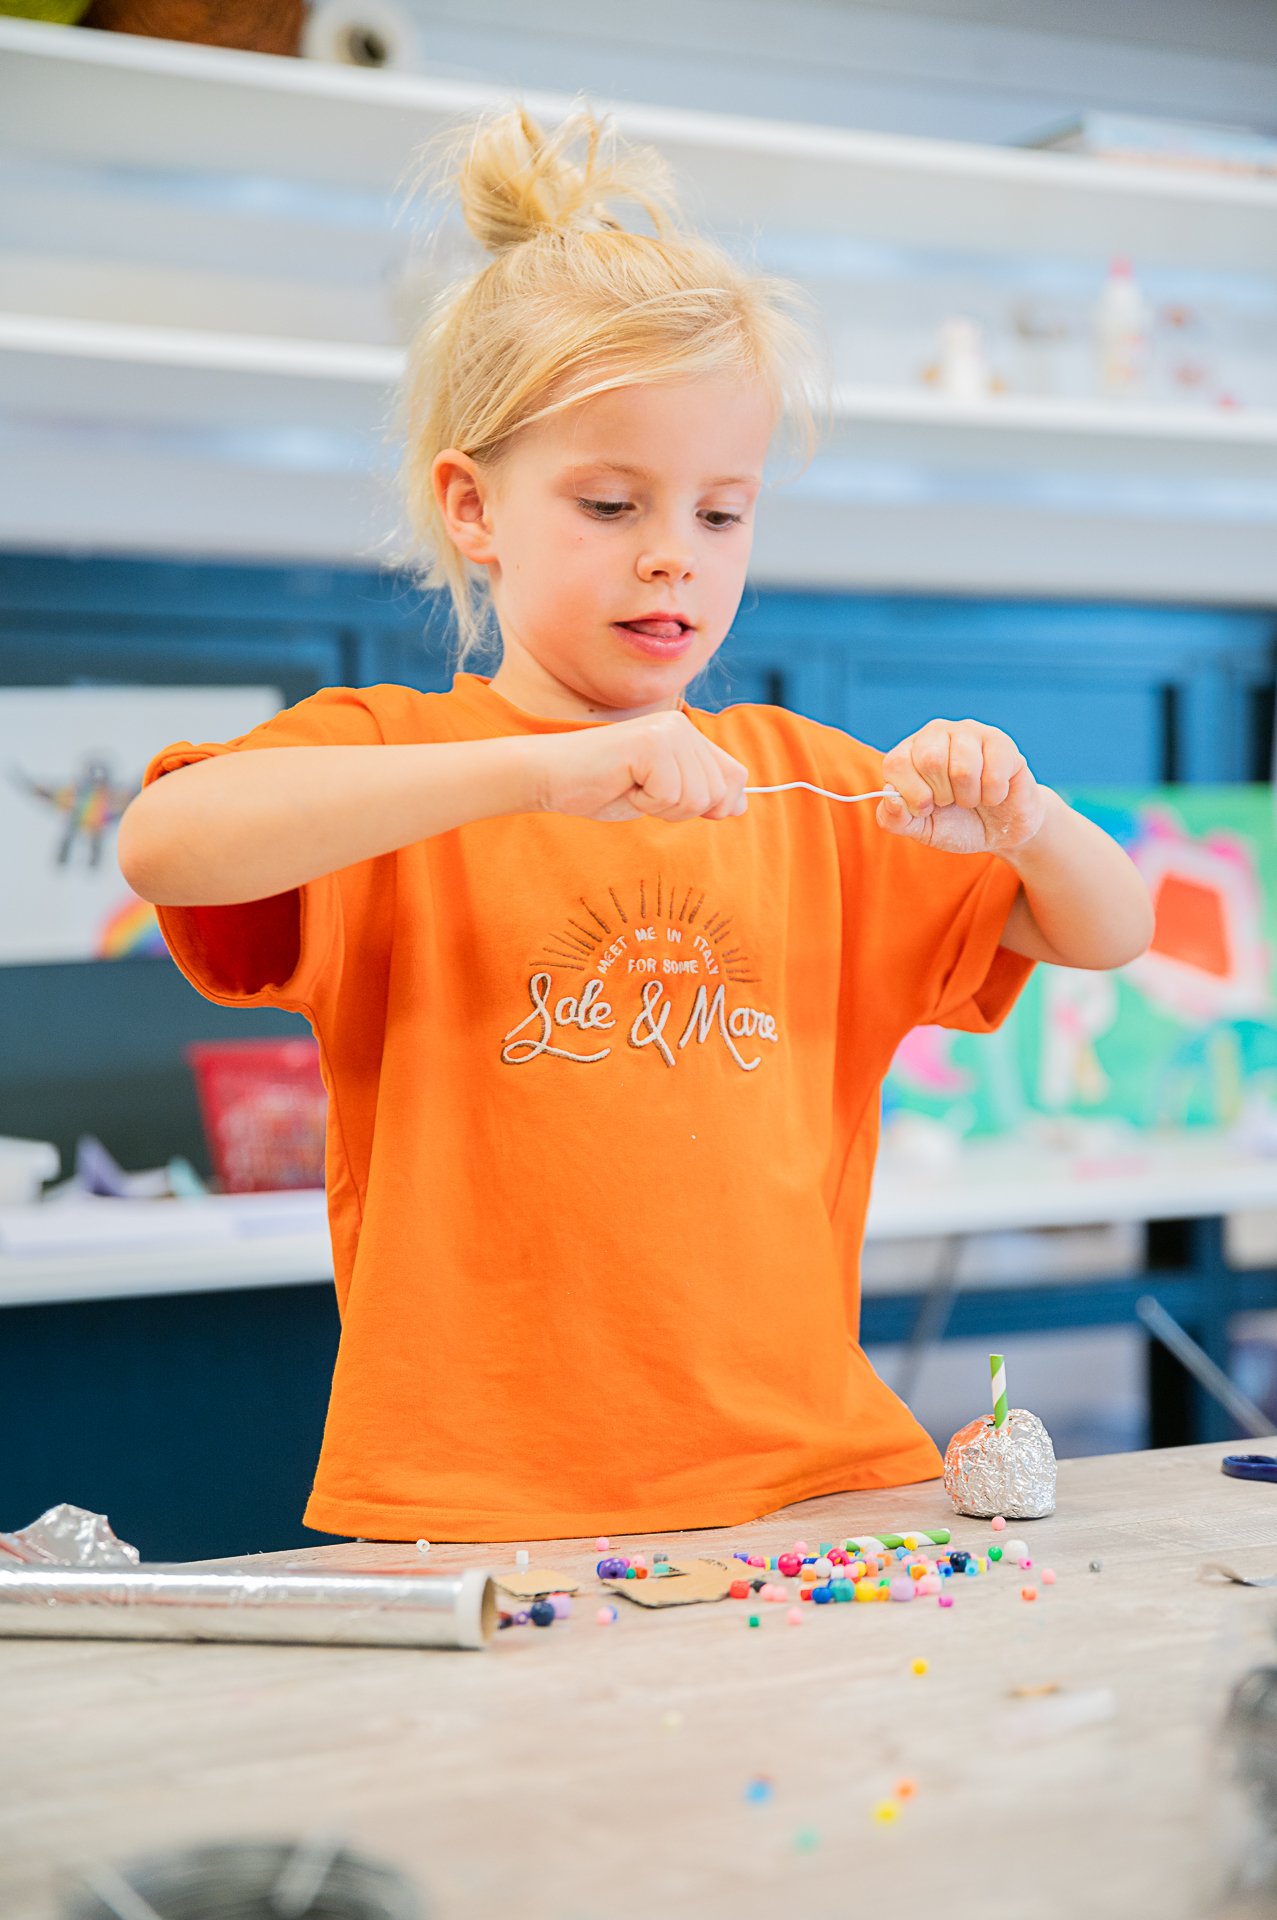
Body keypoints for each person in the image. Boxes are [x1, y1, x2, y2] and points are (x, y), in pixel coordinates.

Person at [119, 110, 1153, 1544]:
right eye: (611, 502)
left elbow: (1112, 929)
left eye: (722, 515)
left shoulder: (810, 782)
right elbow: (167, 843)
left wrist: (1025, 817)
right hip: (481, 1509)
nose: (675, 550)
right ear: (472, 508)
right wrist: (536, 775)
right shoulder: (401, 770)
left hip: (811, 1484)